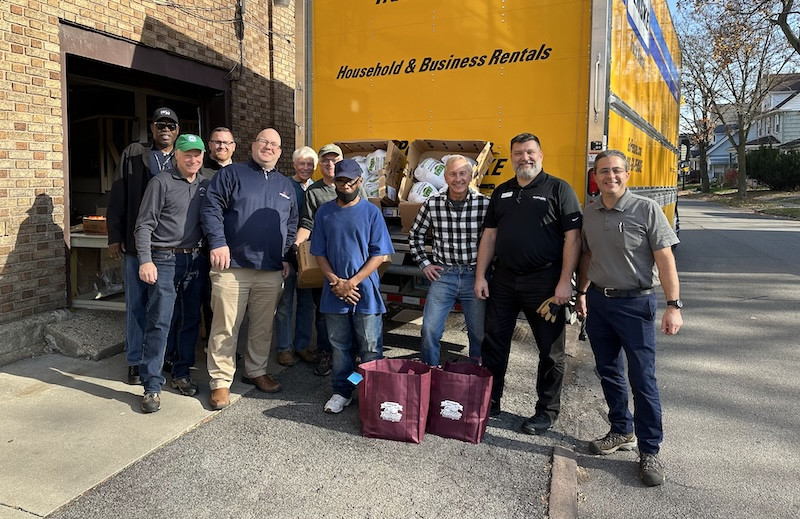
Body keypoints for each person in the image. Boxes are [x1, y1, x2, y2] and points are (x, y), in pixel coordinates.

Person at [575, 149, 682, 487]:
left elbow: (665, 260)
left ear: (627, 174)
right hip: (599, 303)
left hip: (636, 305)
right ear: (595, 176)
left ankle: (650, 450)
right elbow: (589, 254)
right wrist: (581, 293)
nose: (611, 177)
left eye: (616, 171)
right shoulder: (589, 213)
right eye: (603, 171)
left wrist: (673, 304)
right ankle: (621, 429)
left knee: (642, 379)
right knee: (608, 371)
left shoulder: (646, 209)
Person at [474, 132, 582, 434]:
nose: (525, 158)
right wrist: (481, 275)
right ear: (512, 158)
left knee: (551, 350)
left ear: (541, 154)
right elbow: (490, 236)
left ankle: (546, 411)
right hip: (504, 280)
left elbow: (573, 239)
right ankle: (490, 401)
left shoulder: (559, 189)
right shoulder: (502, 192)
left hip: (545, 282)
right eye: (519, 153)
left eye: (530, 152)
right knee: (494, 342)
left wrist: (565, 282)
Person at [200, 128, 298, 410]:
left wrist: (284, 255)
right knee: (225, 326)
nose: (268, 147)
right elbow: (211, 208)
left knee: (262, 326)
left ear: (280, 152)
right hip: (232, 267)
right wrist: (217, 242)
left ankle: (255, 370)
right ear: (253, 145)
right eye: (264, 142)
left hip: (269, 270)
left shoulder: (285, 185)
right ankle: (220, 382)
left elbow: (291, 223)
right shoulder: (231, 175)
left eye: (274, 144)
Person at [310, 159, 394, 414]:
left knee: (370, 347)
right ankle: (343, 391)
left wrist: (352, 283)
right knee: (340, 348)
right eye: (340, 181)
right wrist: (337, 282)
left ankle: (370, 392)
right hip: (334, 292)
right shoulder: (324, 212)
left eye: (350, 182)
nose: (345, 186)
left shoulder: (371, 212)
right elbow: (319, 253)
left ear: (359, 182)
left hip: (364, 292)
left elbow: (379, 255)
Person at [133, 134, 209, 413]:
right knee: (160, 322)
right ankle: (152, 384)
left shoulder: (205, 184)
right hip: (163, 259)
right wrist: (145, 260)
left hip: (195, 260)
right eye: (187, 154)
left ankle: (181, 373)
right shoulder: (161, 182)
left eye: (197, 154)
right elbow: (143, 225)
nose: (193, 159)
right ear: (176, 155)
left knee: (189, 321)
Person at [107, 107, 180, 386]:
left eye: (171, 125)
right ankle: (135, 361)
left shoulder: (184, 157)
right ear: (151, 128)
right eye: (160, 124)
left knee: (164, 308)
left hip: (169, 248)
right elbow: (118, 193)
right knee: (136, 305)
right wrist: (114, 235)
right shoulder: (134, 153)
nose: (165, 129)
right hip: (137, 246)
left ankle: (164, 357)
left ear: (177, 131)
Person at [408, 155, 489, 366]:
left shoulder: (484, 204)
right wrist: (424, 264)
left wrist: (487, 273)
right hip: (444, 275)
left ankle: (475, 375)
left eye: (463, 173)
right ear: (445, 177)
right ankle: (430, 371)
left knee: (479, 333)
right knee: (429, 329)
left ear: (470, 176)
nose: (458, 179)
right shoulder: (432, 204)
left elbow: (494, 241)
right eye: (452, 174)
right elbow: (415, 235)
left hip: (474, 275)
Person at [296, 143, 367, 377]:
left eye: (334, 159)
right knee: (325, 313)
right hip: (326, 264)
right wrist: (297, 247)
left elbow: (366, 220)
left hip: (356, 263)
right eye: (325, 160)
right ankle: (327, 353)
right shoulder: (314, 192)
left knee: (358, 313)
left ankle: (357, 359)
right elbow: (308, 224)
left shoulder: (358, 189)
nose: (330, 164)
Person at [273, 146, 319, 366]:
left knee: (307, 304)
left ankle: (302, 346)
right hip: (289, 253)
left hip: (309, 256)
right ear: (293, 164)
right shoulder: (284, 186)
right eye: (302, 163)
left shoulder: (315, 188)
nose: (306, 167)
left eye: (310, 164)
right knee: (285, 304)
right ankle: (284, 348)